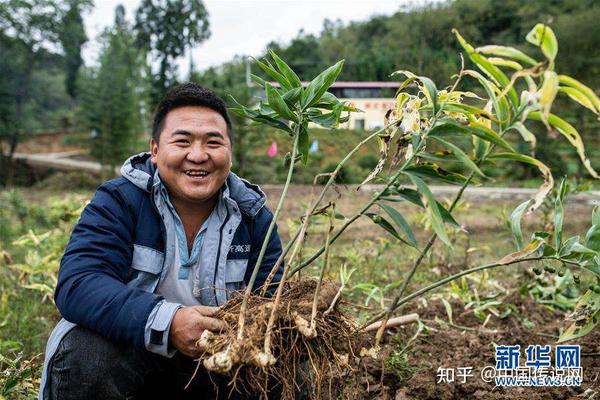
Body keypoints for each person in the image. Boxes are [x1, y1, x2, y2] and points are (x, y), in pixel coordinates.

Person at [39, 83, 284, 399]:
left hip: (219, 365)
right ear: (154, 151)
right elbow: (79, 284)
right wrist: (168, 322)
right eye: (182, 141)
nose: (198, 156)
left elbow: (271, 302)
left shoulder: (254, 218)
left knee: (288, 366)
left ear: (230, 152)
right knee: (86, 350)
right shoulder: (119, 202)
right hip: (132, 356)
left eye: (213, 142)